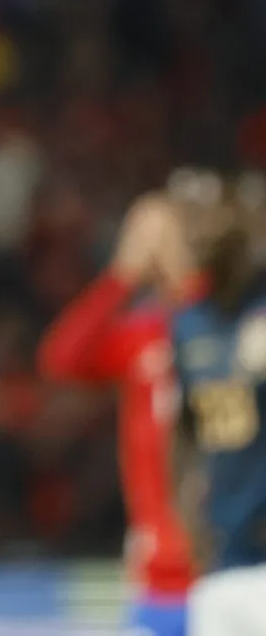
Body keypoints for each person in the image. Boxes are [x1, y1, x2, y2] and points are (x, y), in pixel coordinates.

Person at [39, 191, 197, 636]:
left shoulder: (229, 324)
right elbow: (62, 359)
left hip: (225, 564)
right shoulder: (144, 335)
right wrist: (120, 277)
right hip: (157, 573)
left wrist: (188, 276)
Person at [164, 169, 266, 636]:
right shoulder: (188, 326)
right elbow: (184, 435)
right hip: (221, 568)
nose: (204, 233)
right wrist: (190, 527)